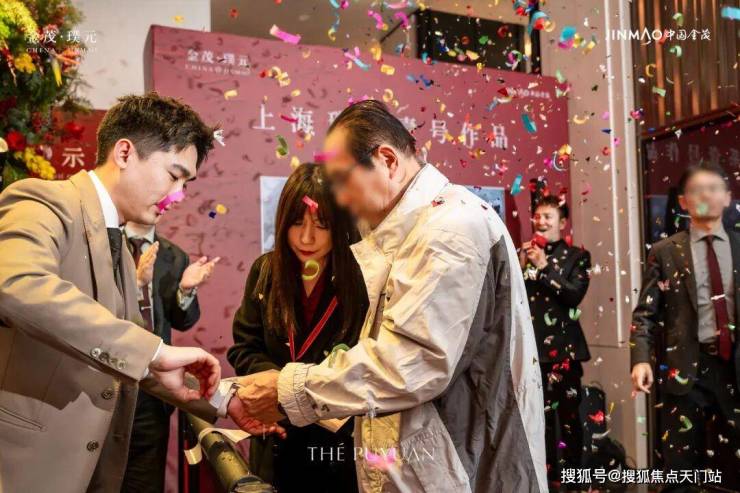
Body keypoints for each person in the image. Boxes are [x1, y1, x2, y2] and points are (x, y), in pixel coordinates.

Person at [233, 99, 548, 492]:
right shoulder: (414, 231)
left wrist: (289, 390)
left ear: (387, 160)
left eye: (343, 180)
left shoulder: (449, 231)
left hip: (463, 468)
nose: (341, 199)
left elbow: (409, 362)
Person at [0, 93, 274, 493]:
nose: (178, 195)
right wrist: (156, 351)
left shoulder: (120, 244)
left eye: (185, 183)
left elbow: (128, 352)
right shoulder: (43, 201)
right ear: (125, 153)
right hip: (29, 465)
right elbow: (16, 284)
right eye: (174, 175)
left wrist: (220, 400)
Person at [227, 162, 368, 492]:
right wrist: (278, 387)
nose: (306, 237)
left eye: (321, 225)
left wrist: (299, 391)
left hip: (335, 445)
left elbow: (365, 361)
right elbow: (245, 347)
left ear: (340, 225)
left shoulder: (359, 280)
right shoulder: (266, 271)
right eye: (296, 223)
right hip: (275, 434)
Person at [631, 163, 740, 492]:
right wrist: (640, 359)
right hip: (685, 371)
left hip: (734, 368)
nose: (705, 195)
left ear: (727, 197)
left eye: (713, 188)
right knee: (681, 471)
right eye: (696, 190)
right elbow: (645, 314)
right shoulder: (665, 252)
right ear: (683, 201)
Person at [121, 221, 219, 493]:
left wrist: (186, 290)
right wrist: (136, 284)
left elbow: (183, 321)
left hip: (154, 391)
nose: (162, 203)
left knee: (145, 481)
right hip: (109, 382)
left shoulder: (174, 255)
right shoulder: (106, 243)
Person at [520, 195, 591, 491]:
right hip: (532, 354)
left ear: (562, 223)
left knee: (571, 422)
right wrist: (521, 265)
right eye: (537, 216)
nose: (541, 222)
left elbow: (574, 296)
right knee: (540, 422)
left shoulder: (578, 257)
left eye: (548, 216)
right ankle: (546, 482)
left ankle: (575, 483)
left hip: (566, 354)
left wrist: (544, 266)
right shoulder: (525, 253)